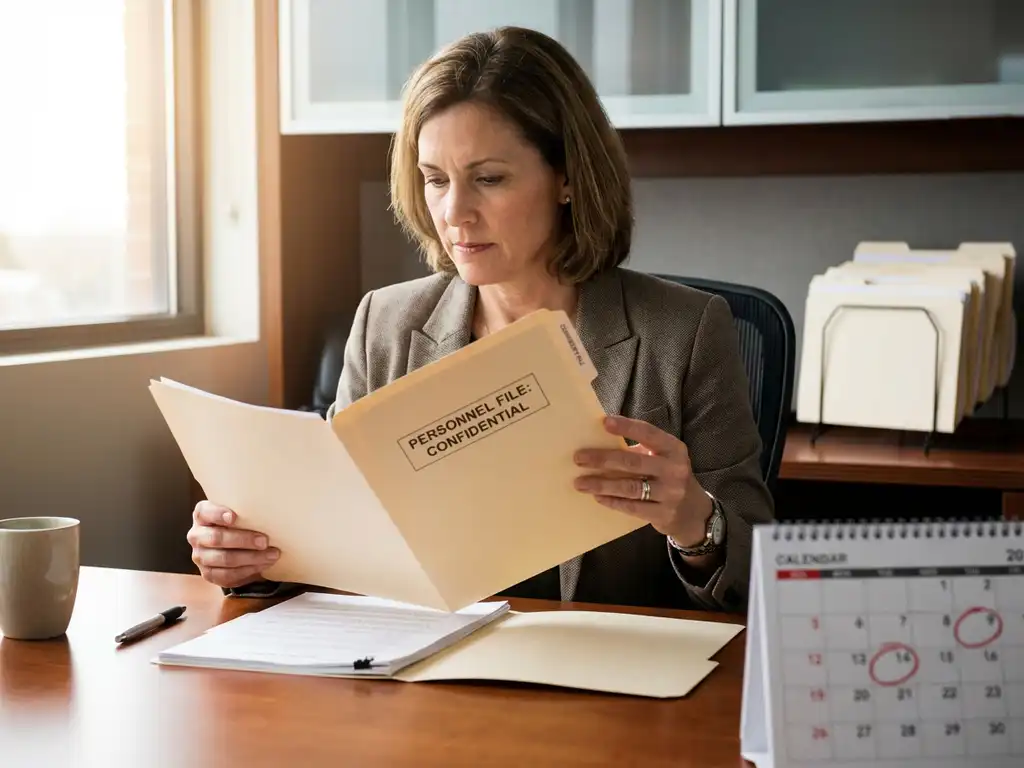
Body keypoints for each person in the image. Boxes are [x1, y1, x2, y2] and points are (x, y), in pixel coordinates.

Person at [187, 26, 774, 612]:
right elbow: (342, 543)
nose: (454, 212)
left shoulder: (685, 331)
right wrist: (256, 560)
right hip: (429, 675)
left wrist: (698, 523)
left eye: (488, 179)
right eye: (436, 180)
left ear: (567, 178)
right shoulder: (384, 326)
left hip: (605, 684)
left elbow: (756, 573)